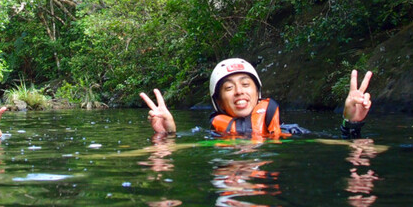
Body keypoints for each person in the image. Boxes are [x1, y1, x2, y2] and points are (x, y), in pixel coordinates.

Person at [139, 57, 372, 139]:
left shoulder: (288, 131)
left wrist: (351, 124)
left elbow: (345, 145)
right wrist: (166, 136)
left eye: (245, 84)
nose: (239, 91)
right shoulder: (210, 137)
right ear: (218, 102)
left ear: (257, 93)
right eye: (228, 88)